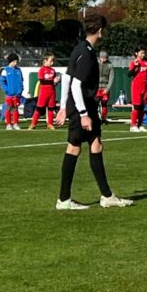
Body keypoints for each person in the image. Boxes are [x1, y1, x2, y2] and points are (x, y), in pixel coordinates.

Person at [53, 15, 133, 210]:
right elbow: (75, 85)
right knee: (74, 148)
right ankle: (64, 200)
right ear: (99, 31)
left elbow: (66, 78)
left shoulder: (80, 48)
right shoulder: (87, 54)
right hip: (83, 107)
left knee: (96, 144)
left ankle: (107, 196)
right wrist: (82, 113)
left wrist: (63, 107)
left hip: (83, 106)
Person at [28, 53, 59, 130]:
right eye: (51, 61)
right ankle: (33, 124)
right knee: (39, 108)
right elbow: (42, 81)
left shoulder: (53, 70)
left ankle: (50, 124)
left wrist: (57, 81)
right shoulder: (42, 70)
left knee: (51, 108)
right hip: (44, 92)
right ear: (45, 61)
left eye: (53, 61)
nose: (52, 63)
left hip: (52, 92)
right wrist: (53, 81)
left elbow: (54, 81)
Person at [128, 47, 147, 133]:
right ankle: (133, 125)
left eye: (144, 53)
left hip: (144, 87)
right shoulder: (134, 62)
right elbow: (129, 74)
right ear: (136, 53)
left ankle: (140, 124)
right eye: (141, 53)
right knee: (136, 106)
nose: (143, 55)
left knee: (142, 106)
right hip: (136, 87)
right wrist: (135, 67)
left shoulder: (146, 62)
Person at [0, 52, 24, 131]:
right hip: (9, 94)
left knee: (16, 108)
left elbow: (21, 80)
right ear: (10, 61)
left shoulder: (18, 70)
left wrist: (21, 88)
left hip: (17, 94)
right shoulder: (5, 70)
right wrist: (7, 89)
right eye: (14, 61)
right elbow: (2, 82)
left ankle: (16, 123)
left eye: (16, 61)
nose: (16, 63)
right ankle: (8, 124)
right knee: (9, 108)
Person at [97, 51, 114, 124]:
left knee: (104, 104)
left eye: (105, 58)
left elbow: (111, 78)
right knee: (95, 104)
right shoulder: (95, 64)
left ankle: (104, 118)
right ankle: (95, 118)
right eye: (102, 58)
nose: (103, 60)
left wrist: (107, 89)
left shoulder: (110, 66)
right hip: (96, 88)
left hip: (105, 88)